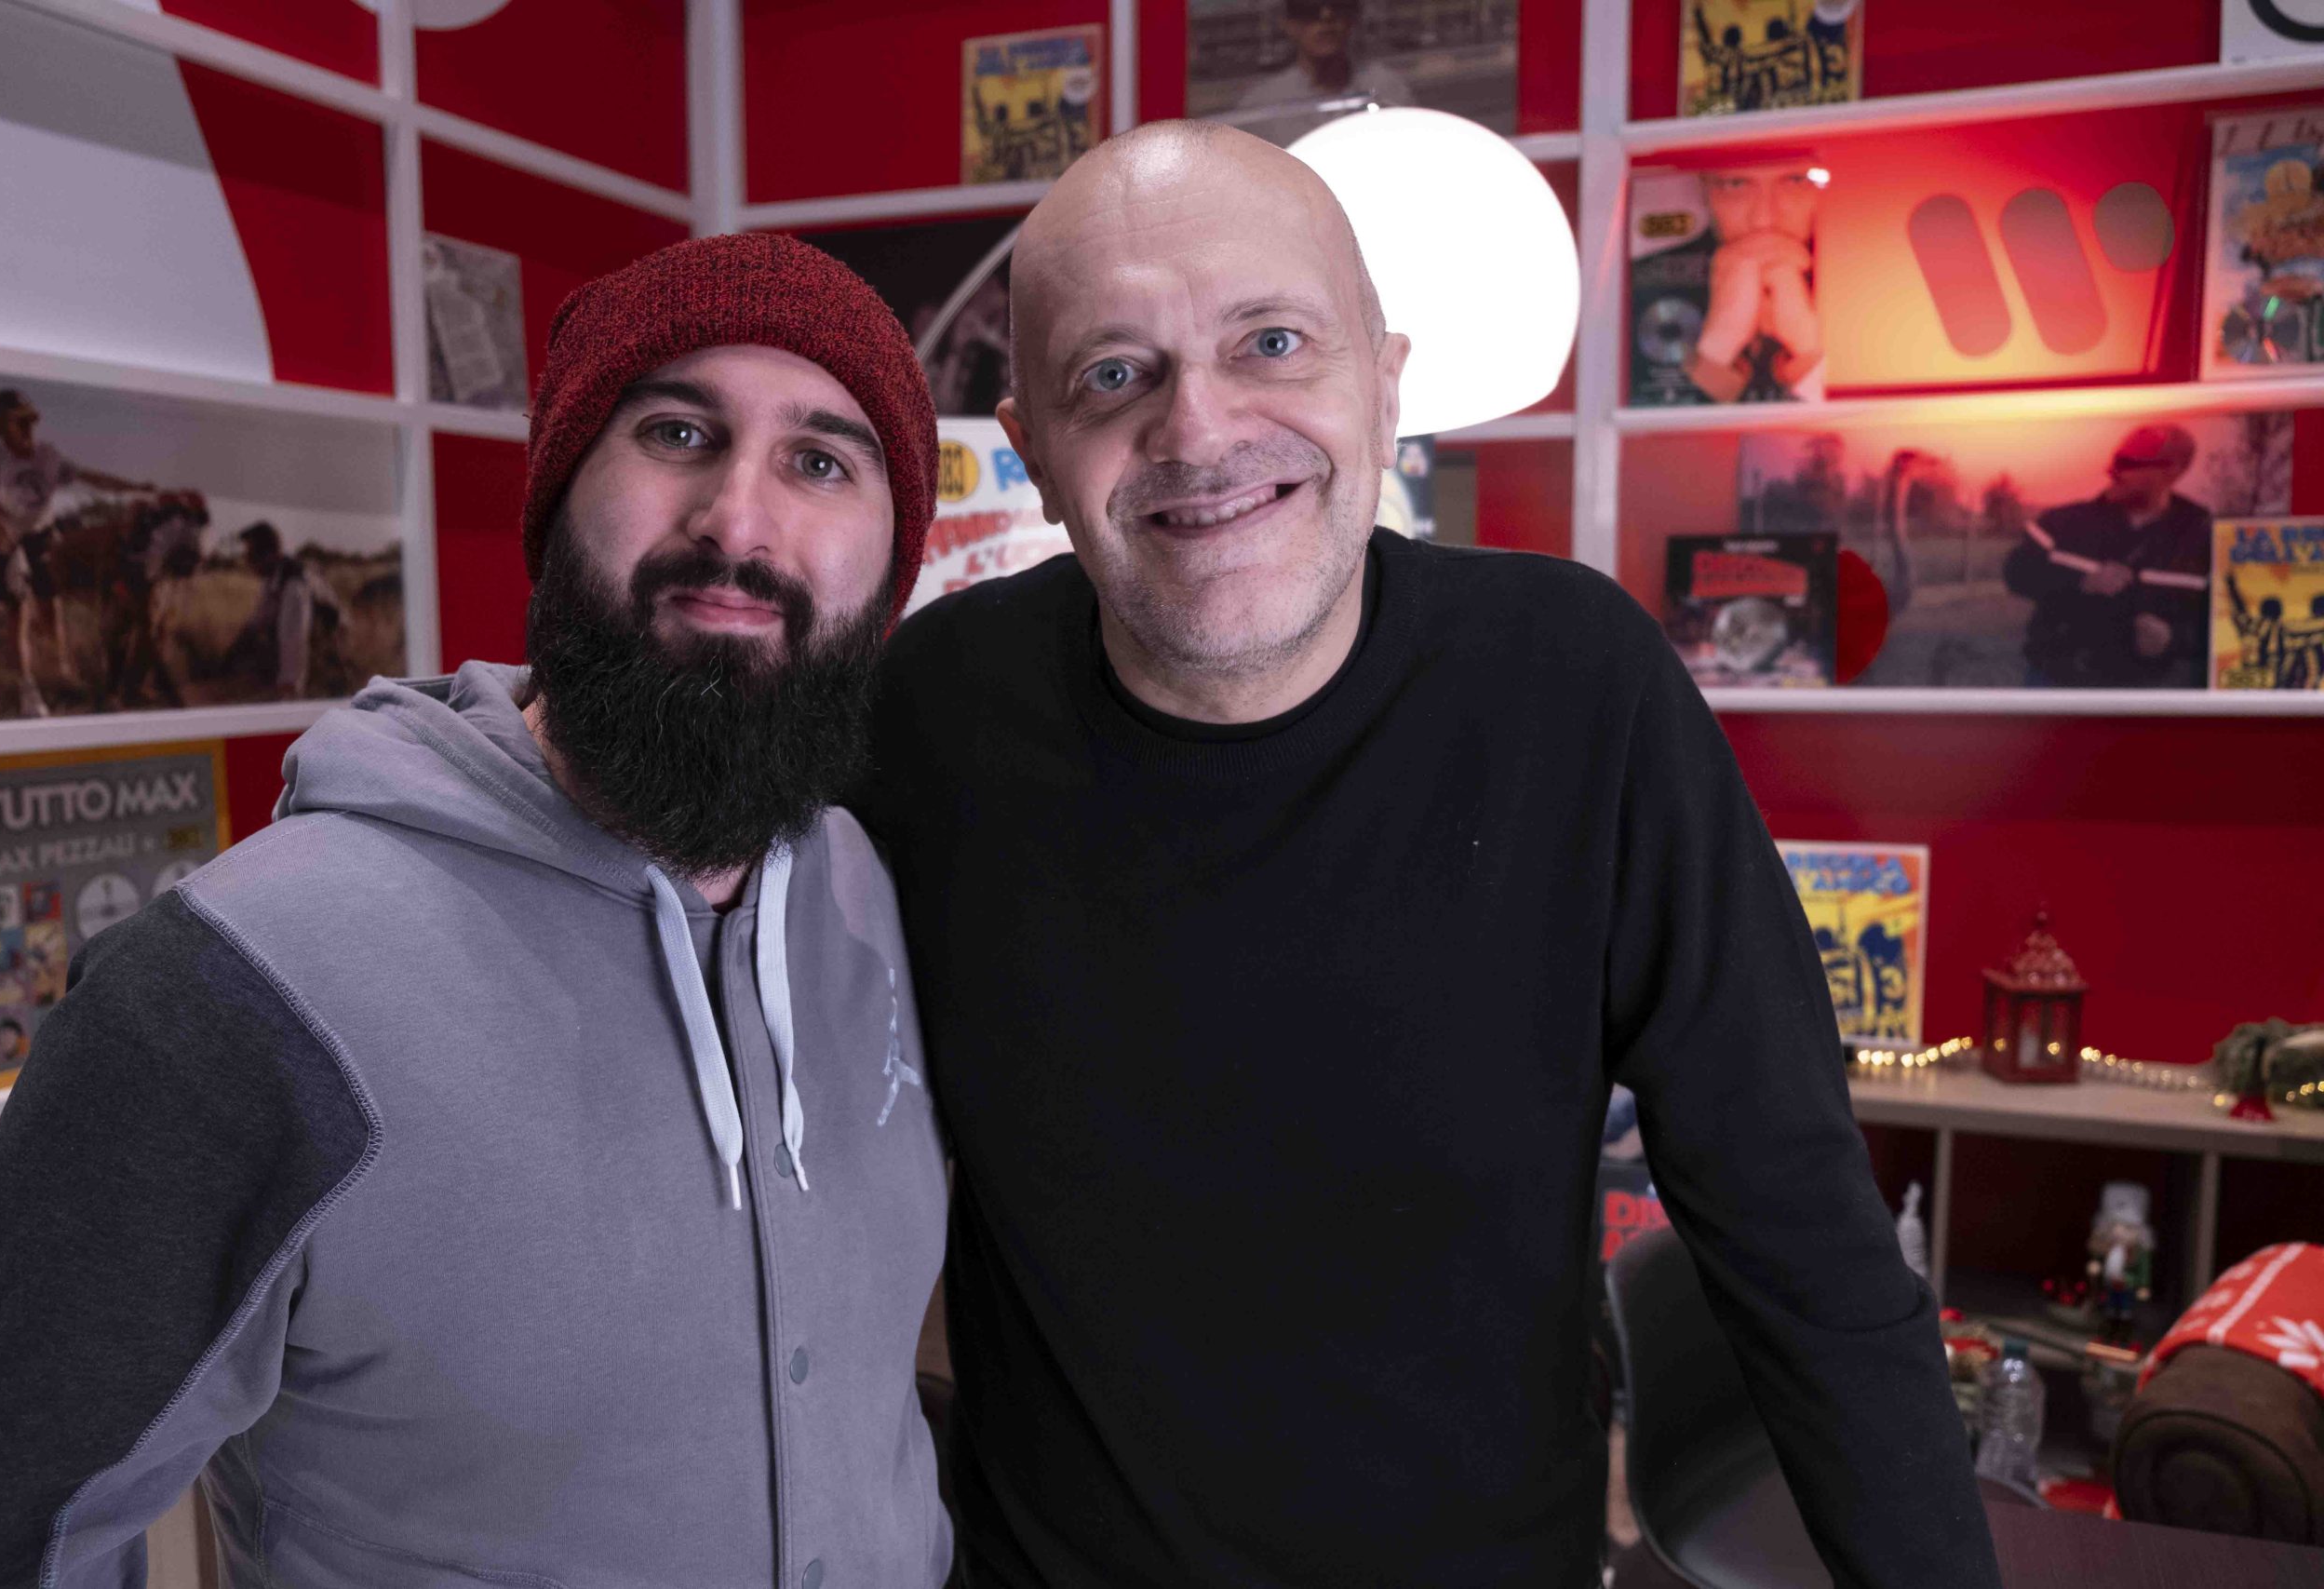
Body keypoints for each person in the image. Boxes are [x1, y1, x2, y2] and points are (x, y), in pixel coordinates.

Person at [852, 122, 1998, 1587]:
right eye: (1115, 374)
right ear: (1033, 449)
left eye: (1271, 342)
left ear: (1386, 384)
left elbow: (1803, 1233)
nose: (1198, 430)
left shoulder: (1575, 688)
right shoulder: (926, 714)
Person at [0, 235, 954, 1589]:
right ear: (559, 497)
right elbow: (1, 1533)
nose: (738, 521)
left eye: (822, 461)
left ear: (891, 564)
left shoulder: (872, 892)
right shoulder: (227, 994)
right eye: (676, 432)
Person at [0, 387, 151, 717]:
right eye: (19, 422)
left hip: (40, 536)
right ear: (4, 424)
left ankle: (60, 673)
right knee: (19, 612)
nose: (27, 428)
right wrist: (1, 526)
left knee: (50, 605)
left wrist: (133, 487)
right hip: (2, 541)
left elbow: (90, 477)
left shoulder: (47, 455)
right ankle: (27, 689)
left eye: (30, 421)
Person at [2002, 423, 2211, 688]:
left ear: (2173, 470)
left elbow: (2226, 623)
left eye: (2130, 463)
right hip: (2054, 683)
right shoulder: (2062, 522)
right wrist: (2080, 582)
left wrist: (2174, 639)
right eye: (2116, 460)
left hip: (2142, 695)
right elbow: (2016, 572)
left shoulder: (2202, 538)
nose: (2114, 471)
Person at [1687, 162, 1825, 404]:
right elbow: (1649, 417)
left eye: (1796, 181)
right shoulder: (1639, 281)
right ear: (1704, 192)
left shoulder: (1878, 279)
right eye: (1735, 184)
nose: (1764, 220)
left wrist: (1809, 353)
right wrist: (1718, 346)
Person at [1231, 0, 1414, 147]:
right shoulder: (1262, 106)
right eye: (1309, 9)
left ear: (1353, 18)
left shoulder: (1387, 90)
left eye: (1338, 5)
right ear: (1288, 23)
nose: (1326, 16)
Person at [224, 520, 346, 700]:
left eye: (251, 555)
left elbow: (294, 641)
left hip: (332, 647)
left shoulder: (294, 585)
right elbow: (260, 619)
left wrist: (288, 689)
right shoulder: (275, 577)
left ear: (269, 554)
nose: (247, 560)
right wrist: (232, 653)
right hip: (312, 640)